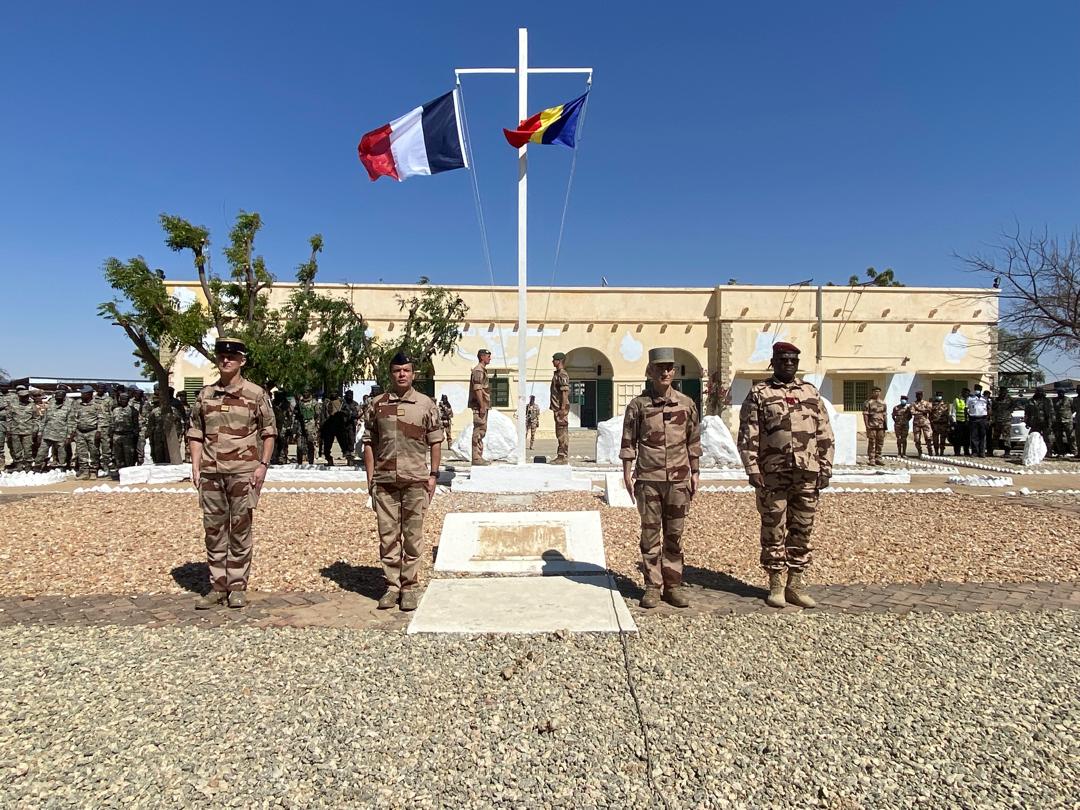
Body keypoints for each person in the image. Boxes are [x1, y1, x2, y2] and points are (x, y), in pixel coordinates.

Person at [738, 341, 834, 609]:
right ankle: (776, 584)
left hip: (807, 472)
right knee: (773, 528)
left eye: (793, 360)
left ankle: (796, 584)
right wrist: (752, 468)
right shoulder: (760, 393)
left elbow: (824, 433)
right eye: (783, 360)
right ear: (774, 362)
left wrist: (826, 466)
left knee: (802, 528)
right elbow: (748, 435)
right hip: (773, 473)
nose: (788, 364)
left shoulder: (810, 392)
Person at [187, 337, 277, 610]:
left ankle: (237, 585)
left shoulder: (255, 394)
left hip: (243, 473)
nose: (226, 360)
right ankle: (218, 585)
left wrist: (262, 465)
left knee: (239, 528)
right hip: (212, 473)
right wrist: (195, 465)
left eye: (232, 357)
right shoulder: (205, 395)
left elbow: (269, 432)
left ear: (242, 361)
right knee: (214, 530)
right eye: (222, 356)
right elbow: (195, 432)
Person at [620, 347, 701, 609]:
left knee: (674, 536)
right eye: (659, 368)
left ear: (674, 371)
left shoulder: (686, 404)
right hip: (649, 478)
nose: (665, 372)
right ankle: (652, 587)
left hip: (678, 479)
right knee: (650, 534)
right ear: (650, 371)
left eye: (669, 368)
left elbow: (693, 441)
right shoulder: (638, 406)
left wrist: (696, 471)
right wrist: (626, 472)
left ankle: (673, 585)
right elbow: (629, 441)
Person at [362, 351, 443, 612]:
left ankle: (408, 586)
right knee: (387, 535)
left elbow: (435, 441)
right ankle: (391, 585)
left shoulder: (425, 404)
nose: (402, 374)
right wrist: (370, 479)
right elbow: (369, 444)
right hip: (384, 480)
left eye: (406, 370)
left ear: (413, 374)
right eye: (397, 371)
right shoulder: (377, 404)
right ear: (390, 374)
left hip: (415, 480)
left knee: (412, 535)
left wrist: (433, 475)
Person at [34, 385, 73, 471]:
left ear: (63, 398)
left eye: (60, 398)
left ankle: (62, 467)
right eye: (56, 397)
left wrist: (69, 436)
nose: (57, 399)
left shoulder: (69, 406)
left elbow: (71, 422)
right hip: (47, 433)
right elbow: (44, 420)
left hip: (61, 434)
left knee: (62, 452)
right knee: (42, 451)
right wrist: (40, 433)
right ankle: (37, 466)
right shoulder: (51, 405)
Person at [71, 385, 106, 480]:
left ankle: (94, 471)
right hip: (80, 432)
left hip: (92, 431)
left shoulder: (97, 405)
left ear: (90, 394)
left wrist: (99, 431)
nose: (82, 395)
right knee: (81, 452)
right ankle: (84, 471)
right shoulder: (77, 404)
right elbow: (73, 418)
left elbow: (101, 419)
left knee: (94, 452)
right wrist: (73, 431)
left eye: (84, 393)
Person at [109, 389, 140, 478]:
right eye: (121, 399)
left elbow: (136, 424)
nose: (122, 401)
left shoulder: (132, 410)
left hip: (128, 436)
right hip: (116, 435)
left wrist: (135, 435)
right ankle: (120, 473)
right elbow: (112, 422)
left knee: (129, 456)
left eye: (124, 399)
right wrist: (111, 433)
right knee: (118, 456)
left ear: (127, 400)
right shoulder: (115, 410)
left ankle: (129, 474)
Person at [468, 349, 492, 465]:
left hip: (483, 405)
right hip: (479, 406)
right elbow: (477, 389)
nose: (490, 358)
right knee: (478, 431)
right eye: (488, 356)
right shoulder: (478, 370)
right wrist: (482, 406)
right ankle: (476, 458)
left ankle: (478, 456)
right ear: (482, 357)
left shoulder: (482, 370)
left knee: (482, 431)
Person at [8, 385, 39, 471]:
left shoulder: (32, 405)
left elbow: (36, 418)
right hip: (15, 431)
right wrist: (9, 429)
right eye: (23, 397)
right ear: (19, 397)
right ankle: (19, 465)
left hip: (28, 432)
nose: (25, 398)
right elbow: (9, 418)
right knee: (16, 449)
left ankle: (28, 466)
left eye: (26, 396)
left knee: (28, 450)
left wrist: (35, 429)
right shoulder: (13, 405)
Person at [549, 352, 571, 464]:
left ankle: (562, 456)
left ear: (559, 361)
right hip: (557, 408)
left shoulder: (562, 374)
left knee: (562, 433)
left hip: (560, 408)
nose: (553, 362)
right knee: (559, 433)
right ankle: (561, 455)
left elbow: (565, 392)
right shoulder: (557, 374)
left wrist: (562, 408)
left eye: (554, 360)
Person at [862, 387, 887, 465]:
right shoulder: (868, 402)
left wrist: (886, 425)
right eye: (875, 392)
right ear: (872, 393)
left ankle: (878, 458)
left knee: (880, 442)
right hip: (872, 425)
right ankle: (872, 459)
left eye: (879, 392)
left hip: (881, 426)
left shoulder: (883, 403)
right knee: (872, 442)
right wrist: (867, 425)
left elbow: (885, 414)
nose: (877, 393)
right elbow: (865, 414)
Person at [966, 384, 990, 458]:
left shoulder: (985, 399)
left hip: (983, 419)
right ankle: (974, 452)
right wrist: (967, 418)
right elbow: (966, 408)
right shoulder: (970, 398)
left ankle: (982, 452)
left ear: (981, 390)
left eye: (978, 389)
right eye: (976, 389)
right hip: (973, 418)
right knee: (974, 436)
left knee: (982, 436)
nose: (977, 390)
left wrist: (988, 419)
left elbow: (989, 409)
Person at [1051, 387, 1076, 457]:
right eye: (1059, 393)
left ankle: (1074, 451)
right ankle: (1061, 452)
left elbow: (1073, 408)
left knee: (1071, 437)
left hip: (1068, 420)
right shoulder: (1054, 400)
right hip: (1058, 421)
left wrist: (1068, 415)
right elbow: (1052, 409)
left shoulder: (1069, 399)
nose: (1060, 394)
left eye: (1062, 392)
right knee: (1058, 437)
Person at [991, 387, 1015, 457]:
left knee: (1006, 437)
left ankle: (1007, 452)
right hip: (997, 421)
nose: (1002, 393)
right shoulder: (996, 400)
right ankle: (991, 451)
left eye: (1004, 392)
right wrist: (993, 420)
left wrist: (1008, 413)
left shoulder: (1010, 400)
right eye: (1001, 392)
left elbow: (1013, 407)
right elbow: (993, 410)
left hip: (1006, 421)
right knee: (995, 437)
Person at [295, 392, 318, 465]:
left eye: (306, 392)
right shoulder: (299, 403)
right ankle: (299, 462)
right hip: (300, 425)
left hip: (310, 425)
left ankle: (311, 462)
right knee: (299, 446)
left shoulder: (314, 402)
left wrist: (316, 425)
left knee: (310, 443)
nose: (305, 394)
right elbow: (295, 413)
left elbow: (317, 414)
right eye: (304, 392)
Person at [910, 391, 933, 458]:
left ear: (922, 395)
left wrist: (918, 410)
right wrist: (923, 411)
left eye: (920, 395)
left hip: (925, 422)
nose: (919, 396)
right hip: (916, 423)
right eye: (918, 395)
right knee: (917, 439)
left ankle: (930, 451)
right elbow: (912, 412)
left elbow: (929, 410)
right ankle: (919, 452)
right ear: (916, 396)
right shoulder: (913, 404)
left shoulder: (926, 403)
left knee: (928, 438)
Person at [950, 388, 970, 456]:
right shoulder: (957, 400)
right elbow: (953, 411)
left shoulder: (969, 400)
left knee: (967, 438)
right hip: (959, 422)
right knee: (958, 438)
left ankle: (966, 451)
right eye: (965, 393)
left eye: (967, 393)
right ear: (962, 393)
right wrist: (954, 421)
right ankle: (957, 452)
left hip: (967, 423)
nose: (966, 394)